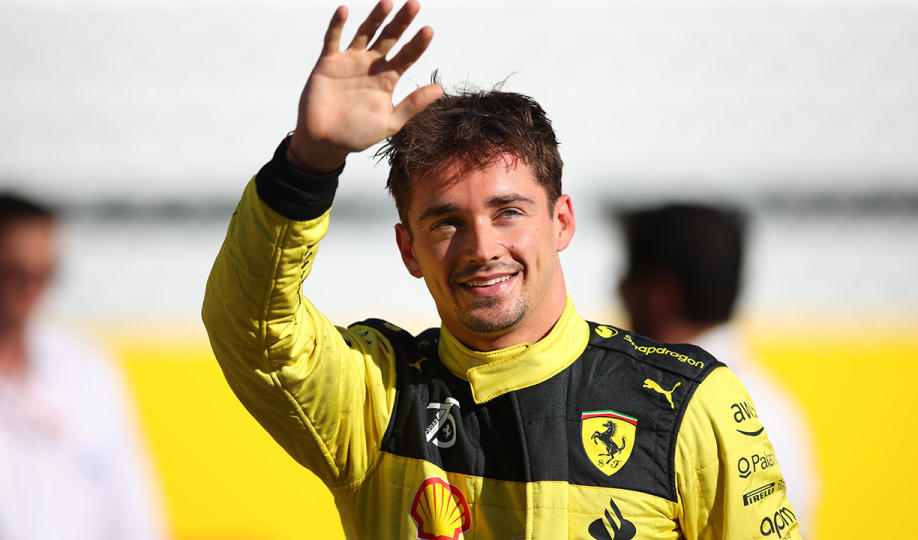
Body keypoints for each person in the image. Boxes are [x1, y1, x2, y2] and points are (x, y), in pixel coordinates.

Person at [202, 2, 801, 538]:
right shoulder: (377, 398)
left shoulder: (692, 403)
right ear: (408, 250)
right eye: (445, 222)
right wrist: (309, 163)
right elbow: (251, 324)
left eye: (508, 211)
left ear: (562, 221)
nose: (481, 247)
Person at [618, 203, 820, 537]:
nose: (619, 291)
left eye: (628, 279)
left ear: (658, 294)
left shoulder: (660, 407)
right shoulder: (775, 405)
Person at [0, 193, 167, 539]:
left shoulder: (85, 370)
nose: (31, 289)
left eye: (44, 273)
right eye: (15, 272)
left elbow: (132, 504)